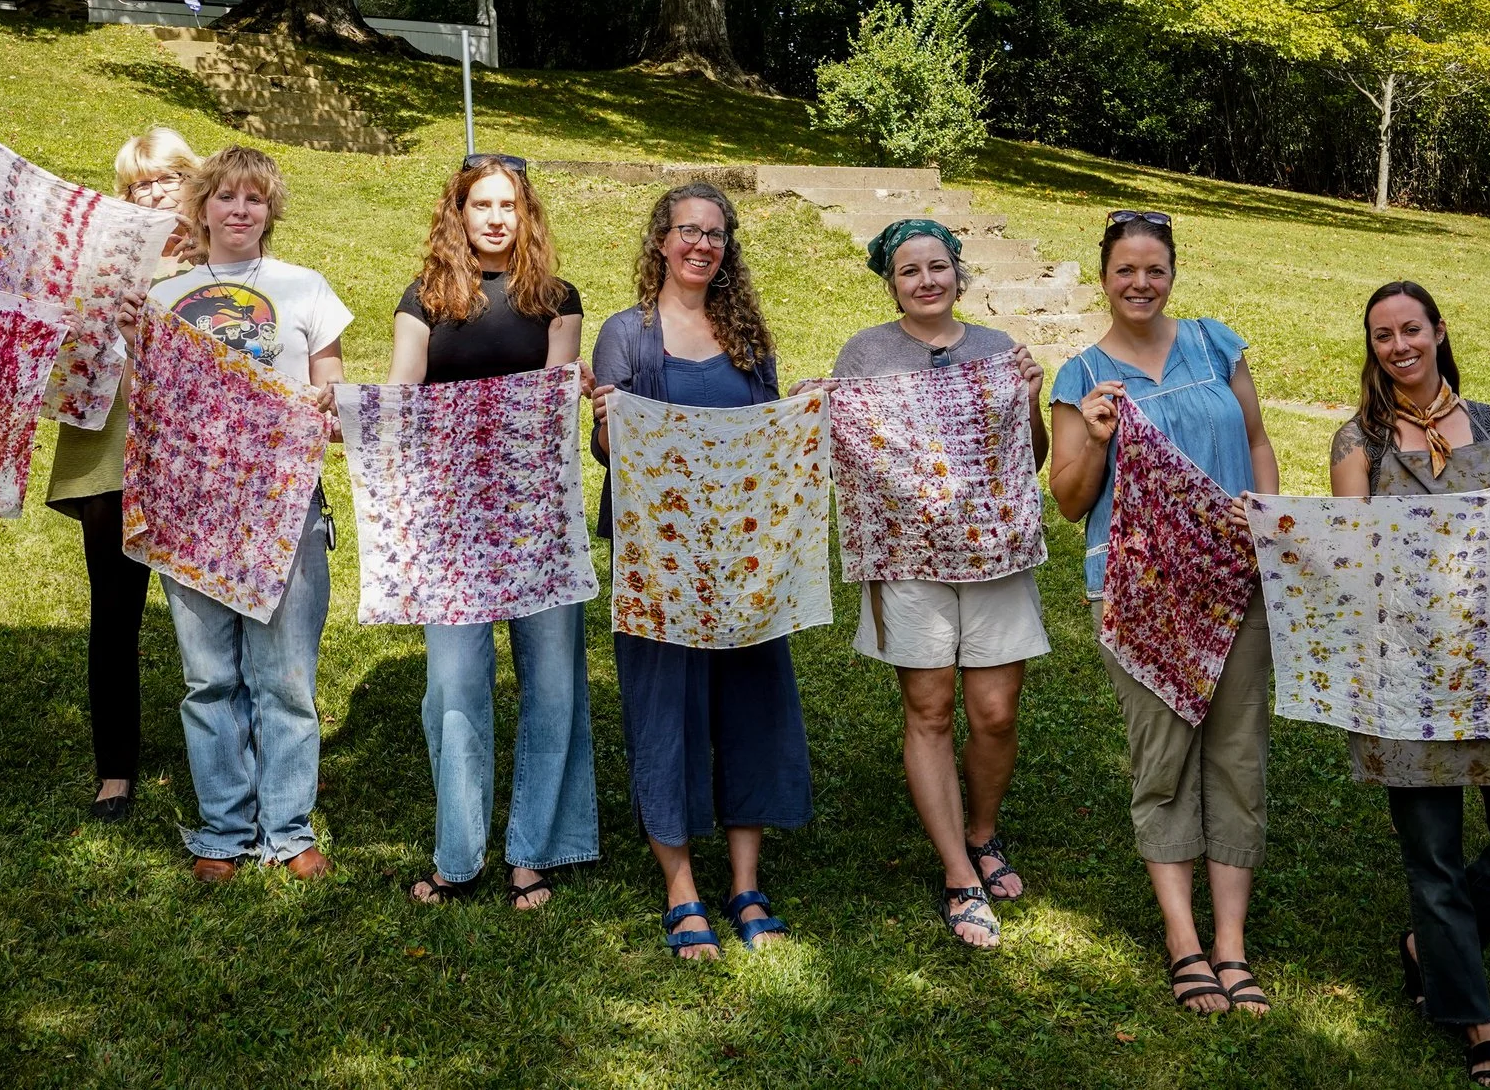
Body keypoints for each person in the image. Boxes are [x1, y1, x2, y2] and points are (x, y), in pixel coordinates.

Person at [0, 119, 202, 824]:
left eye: (165, 178)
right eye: (137, 184)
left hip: (202, 465)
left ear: (193, 180)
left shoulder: (226, 257)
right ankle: (115, 771)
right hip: (109, 455)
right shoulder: (101, 258)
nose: (151, 193)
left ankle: (236, 760)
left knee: (217, 621)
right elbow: (16, 256)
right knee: (114, 616)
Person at [1330, 280, 1490, 1089]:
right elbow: (1353, 559)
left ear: (1439, 330)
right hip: (1403, 668)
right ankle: (1479, 1024)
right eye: (1383, 334)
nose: (1399, 345)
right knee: (1433, 854)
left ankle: (1431, 945)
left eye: (1411, 329)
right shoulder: (1358, 440)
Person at [1049, 210, 1280, 1007]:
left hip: (1231, 578)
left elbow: (1255, 440)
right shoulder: (1080, 375)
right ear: (1103, 276)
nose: (1140, 282)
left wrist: (1269, 528)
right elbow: (1072, 500)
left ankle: (1231, 944)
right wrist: (1097, 434)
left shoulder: (1217, 345)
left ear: (1172, 271)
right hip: (1137, 593)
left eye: (1154, 268)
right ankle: (1184, 943)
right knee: (1164, 758)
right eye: (1125, 270)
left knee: (1237, 755)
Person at [591, 183, 808, 960]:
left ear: (728, 246)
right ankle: (681, 887)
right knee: (665, 711)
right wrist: (613, 423)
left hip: (745, 561)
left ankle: (745, 882)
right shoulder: (627, 335)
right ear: (661, 239)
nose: (701, 244)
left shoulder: (748, 335)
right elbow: (610, 448)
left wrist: (808, 411)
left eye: (715, 233)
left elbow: (777, 435)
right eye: (688, 229)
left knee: (753, 702)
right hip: (658, 562)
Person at [830, 218, 1052, 952]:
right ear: (890, 282)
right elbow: (847, 448)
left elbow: (1030, 455)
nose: (926, 280)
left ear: (958, 271)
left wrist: (1030, 396)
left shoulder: (996, 349)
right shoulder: (864, 353)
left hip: (993, 553)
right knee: (929, 708)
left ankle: (983, 831)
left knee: (994, 711)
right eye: (908, 271)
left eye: (937, 266)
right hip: (908, 558)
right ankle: (960, 871)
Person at [143, 145, 349, 882]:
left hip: (283, 507)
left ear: (270, 211)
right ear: (200, 209)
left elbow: (331, 387)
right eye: (225, 197)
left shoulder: (305, 289)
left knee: (286, 676)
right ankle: (222, 832)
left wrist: (327, 408)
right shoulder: (163, 299)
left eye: (254, 199)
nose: (239, 209)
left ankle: (288, 829)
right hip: (191, 512)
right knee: (209, 677)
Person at [395, 154, 595, 911]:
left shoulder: (557, 300)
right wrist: (343, 408)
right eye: (481, 203)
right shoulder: (424, 300)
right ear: (459, 211)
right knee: (453, 684)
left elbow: (553, 394)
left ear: (525, 214)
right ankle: (457, 854)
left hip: (539, 517)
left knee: (551, 684)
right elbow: (402, 394)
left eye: (508, 204)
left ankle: (534, 852)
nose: (495, 217)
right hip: (450, 525)